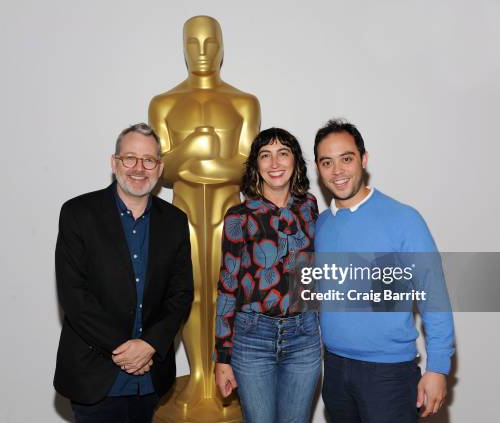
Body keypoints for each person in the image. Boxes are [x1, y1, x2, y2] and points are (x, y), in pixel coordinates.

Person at [148, 15, 260, 412]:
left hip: (231, 214)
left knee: (229, 295)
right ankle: (198, 376)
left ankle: (221, 373)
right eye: (192, 43)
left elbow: (249, 169)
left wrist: (193, 160)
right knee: (187, 295)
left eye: (209, 43)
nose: (201, 51)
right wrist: (199, 145)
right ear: (182, 47)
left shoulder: (243, 102)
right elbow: (163, 168)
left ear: (222, 47)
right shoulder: (163, 103)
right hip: (183, 214)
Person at [313, 119, 455, 422]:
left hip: (388, 375)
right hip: (335, 371)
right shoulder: (321, 225)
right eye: (327, 162)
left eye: (346, 159)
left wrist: (438, 368)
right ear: (318, 168)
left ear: (363, 160)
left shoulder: (403, 219)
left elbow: (434, 296)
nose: (337, 171)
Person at [53, 123, 194, 423]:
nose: (139, 168)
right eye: (129, 158)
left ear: (160, 167)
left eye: (149, 160)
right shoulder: (78, 214)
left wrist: (150, 346)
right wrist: (126, 351)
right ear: (114, 162)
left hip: (151, 379)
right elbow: (74, 295)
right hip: (96, 377)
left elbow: (181, 293)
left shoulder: (175, 221)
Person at [214, 128, 321, 423]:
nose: (274, 163)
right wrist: (222, 359)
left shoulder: (309, 206)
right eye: (265, 155)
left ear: (296, 162)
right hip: (252, 338)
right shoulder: (239, 216)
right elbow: (227, 285)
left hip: (304, 335)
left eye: (283, 153)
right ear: (256, 166)